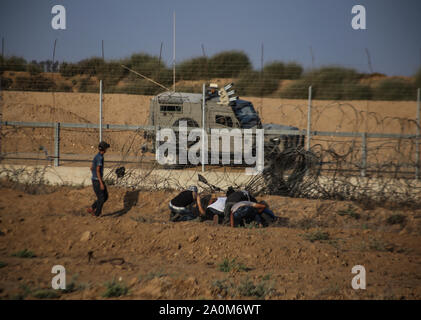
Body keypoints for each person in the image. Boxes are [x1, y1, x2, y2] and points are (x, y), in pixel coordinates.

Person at [87, 141, 110, 217]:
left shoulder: (97, 156)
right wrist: (100, 182)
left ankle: (92, 208)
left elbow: (91, 168)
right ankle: (97, 213)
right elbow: (97, 170)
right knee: (102, 198)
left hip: (95, 179)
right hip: (97, 180)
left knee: (105, 196)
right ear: (104, 149)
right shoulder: (100, 158)